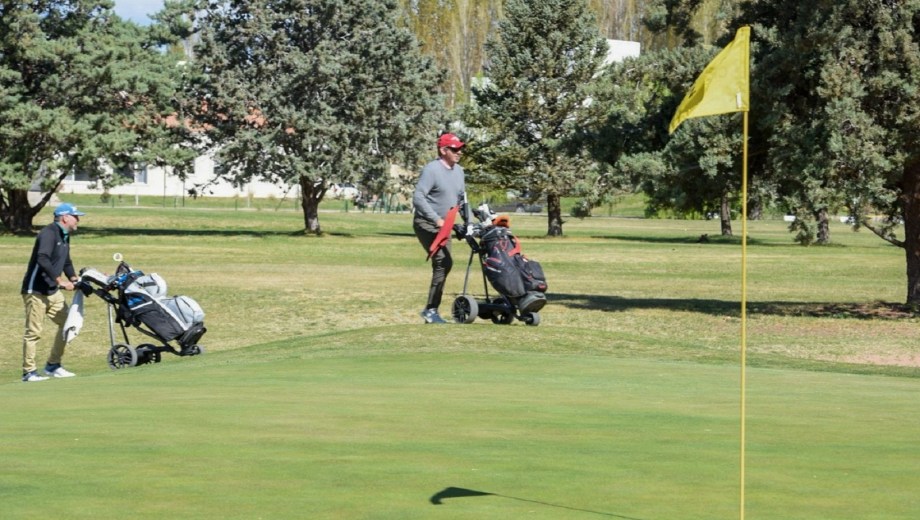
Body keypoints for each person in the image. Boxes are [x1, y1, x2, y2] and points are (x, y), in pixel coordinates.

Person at [20, 202, 86, 382]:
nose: (78, 219)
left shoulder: (65, 235)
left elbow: (66, 261)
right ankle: (29, 372)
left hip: (52, 291)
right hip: (36, 291)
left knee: (67, 324)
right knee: (34, 332)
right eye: (75, 216)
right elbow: (43, 258)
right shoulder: (48, 233)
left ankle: (53, 365)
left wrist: (73, 279)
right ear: (65, 217)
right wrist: (60, 281)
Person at [413, 132, 466, 324]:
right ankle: (430, 310)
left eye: (460, 148)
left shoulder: (459, 171)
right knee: (443, 262)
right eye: (454, 149)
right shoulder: (432, 170)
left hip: (446, 225)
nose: (459, 152)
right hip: (426, 223)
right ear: (443, 150)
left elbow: (461, 199)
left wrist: (466, 221)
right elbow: (418, 197)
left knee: (446, 264)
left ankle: (431, 309)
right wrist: (436, 220)